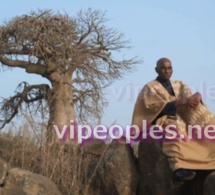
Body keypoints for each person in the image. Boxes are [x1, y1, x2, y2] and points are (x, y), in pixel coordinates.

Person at [131, 57, 215, 184]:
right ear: (156, 70)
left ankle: (211, 154)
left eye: (169, 68)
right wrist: (183, 102)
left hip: (182, 116)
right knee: (174, 127)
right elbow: (158, 109)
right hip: (162, 119)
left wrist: (197, 96)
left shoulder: (178, 84)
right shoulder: (150, 87)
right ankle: (178, 168)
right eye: (163, 68)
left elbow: (189, 97)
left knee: (202, 113)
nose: (166, 71)